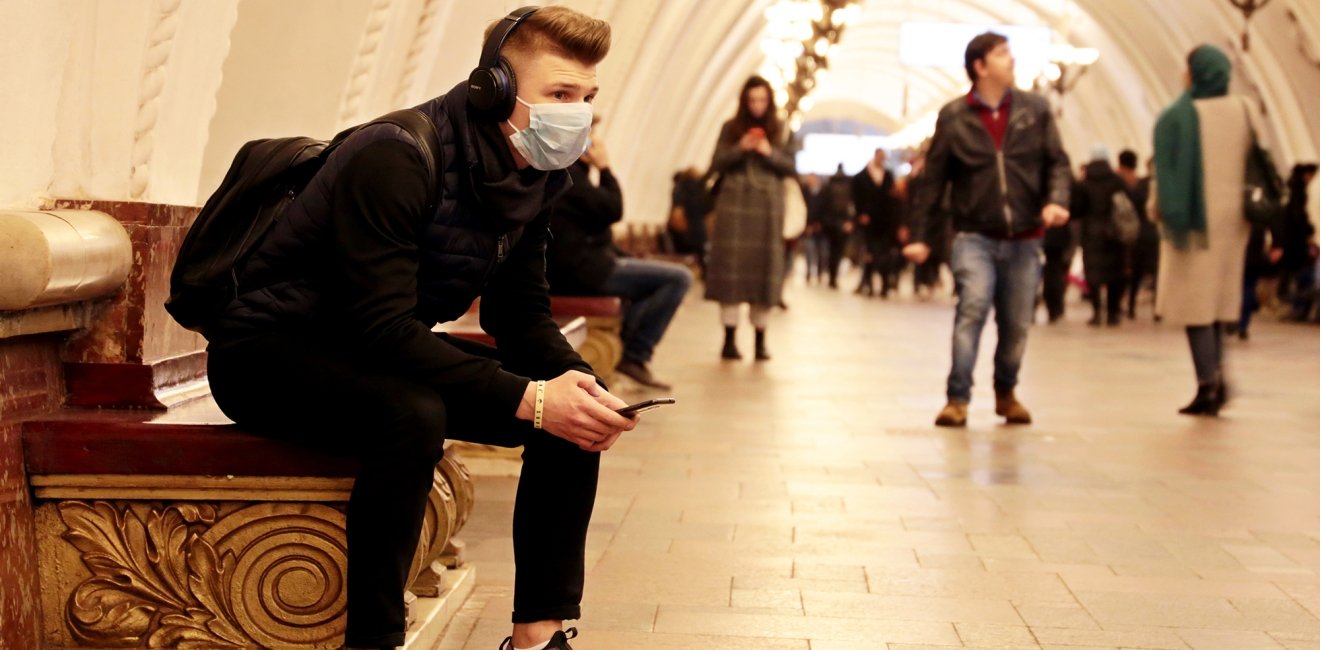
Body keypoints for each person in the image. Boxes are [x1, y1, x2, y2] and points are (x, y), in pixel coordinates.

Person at [203, 8, 630, 650]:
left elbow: (519, 315)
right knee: (413, 412)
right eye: (561, 95)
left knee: (573, 417)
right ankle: (374, 639)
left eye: (587, 98)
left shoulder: (537, 173)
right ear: (497, 89)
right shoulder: (397, 155)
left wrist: (576, 386)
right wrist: (533, 400)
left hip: (372, 344)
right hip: (267, 353)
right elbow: (380, 327)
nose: (577, 114)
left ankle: (538, 636)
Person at [904, 31, 1072, 427]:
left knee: (1016, 323)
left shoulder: (1035, 110)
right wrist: (920, 236)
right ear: (979, 67)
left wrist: (1056, 200)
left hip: (1025, 236)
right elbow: (935, 180)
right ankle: (957, 398)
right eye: (1001, 55)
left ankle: (1006, 391)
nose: (1011, 61)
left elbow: (1057, 163)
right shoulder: (955, 116)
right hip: (973, 234)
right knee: (973, 308)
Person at [547, 123, 693, 390]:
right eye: (590, 138)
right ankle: (634, 354)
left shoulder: (571, 174)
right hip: (583, 273)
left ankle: (628, 350)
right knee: (678, 279)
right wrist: (605, 168)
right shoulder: (567, 176)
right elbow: (613, 208)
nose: (594, 144)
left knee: (655, 281)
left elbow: (598, 230)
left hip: (591, 266)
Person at [1150, 44, 1253, 417]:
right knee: (1219, 305)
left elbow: (1167, 173)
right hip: (1233, 224)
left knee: (1195, 306)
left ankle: (1207, 384)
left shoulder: (1180, 115)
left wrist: (1158, 211)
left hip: (1192, 224)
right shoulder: (1243, 109)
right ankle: (1220, 376)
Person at [704, 75, 797, 361]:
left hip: (768, 210)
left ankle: (760, 340)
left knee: (764, 273)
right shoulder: (730, 129)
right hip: (733, 208)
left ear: (769, 102)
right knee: (731, 275)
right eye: (752, 100)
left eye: (762, 100)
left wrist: (769, 152)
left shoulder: (782, 131)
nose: (757, 106)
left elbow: (791, 167)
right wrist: (740, 147)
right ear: (744, 102)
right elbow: (716, 163)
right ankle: (729, 340)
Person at [1072, 145, 1131, 326]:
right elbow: (1130, 202)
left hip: (1091, 233)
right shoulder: (1117, 181)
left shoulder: (1083, 183)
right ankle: (1113, 312)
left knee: (1093, 272)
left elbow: (1076, 209)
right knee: (1115, 272)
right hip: (1115, 232)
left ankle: (1097, 312)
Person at [852, 148, 904, 298]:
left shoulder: (888, 175)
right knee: (869, 252)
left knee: (884, 253)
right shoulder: (861, 177)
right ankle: (867, 282)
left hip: (885, 221)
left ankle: (884, 284)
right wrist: (861, 214)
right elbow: (856, 198)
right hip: (869, 221)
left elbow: (894, 200)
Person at [1117, 150, 1158, 319]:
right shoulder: (1165, 185)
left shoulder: (1139, 184)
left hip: (1140, 232)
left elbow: (1130, 207)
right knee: (1156, 272)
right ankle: (1157, 310)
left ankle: (1131, 305)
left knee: (1136, 272)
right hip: (1155, 233)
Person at [1279, 163, 1318, 321]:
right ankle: (1299, 308)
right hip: (1296, 243)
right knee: (1303, 276)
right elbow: (1298, 216)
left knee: (1299, 276)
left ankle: (1299, 308)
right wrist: (1309, 232)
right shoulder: (1298, 191)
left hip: (1291, 241)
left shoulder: (1292, 188)